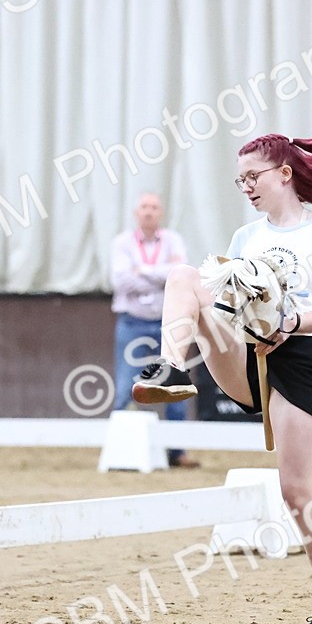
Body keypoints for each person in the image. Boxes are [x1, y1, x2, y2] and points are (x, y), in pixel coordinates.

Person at [132, 94, 312, 624]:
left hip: (298, 355)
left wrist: (291, 323)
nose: (247, 186)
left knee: (296, 490)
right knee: (184, 276)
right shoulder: (244, 238)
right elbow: (224, 298)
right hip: (244, 350)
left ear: (284, 174)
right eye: (240, 180)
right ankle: (171, 369)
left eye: (253, 176)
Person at [110, 192, 199, 469]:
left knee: (175, 385)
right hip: (132, 322)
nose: (149, 211)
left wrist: (142, 270)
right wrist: (162, 275)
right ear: (136, 212)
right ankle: (117, 450)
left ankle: (177, 452)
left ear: (160, 213)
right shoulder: (121, 243)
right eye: (144, 207)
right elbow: (121, 281)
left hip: (167, 324)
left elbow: (180, 276)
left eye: (154, 207)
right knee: (124, 387)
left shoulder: (174, 240)